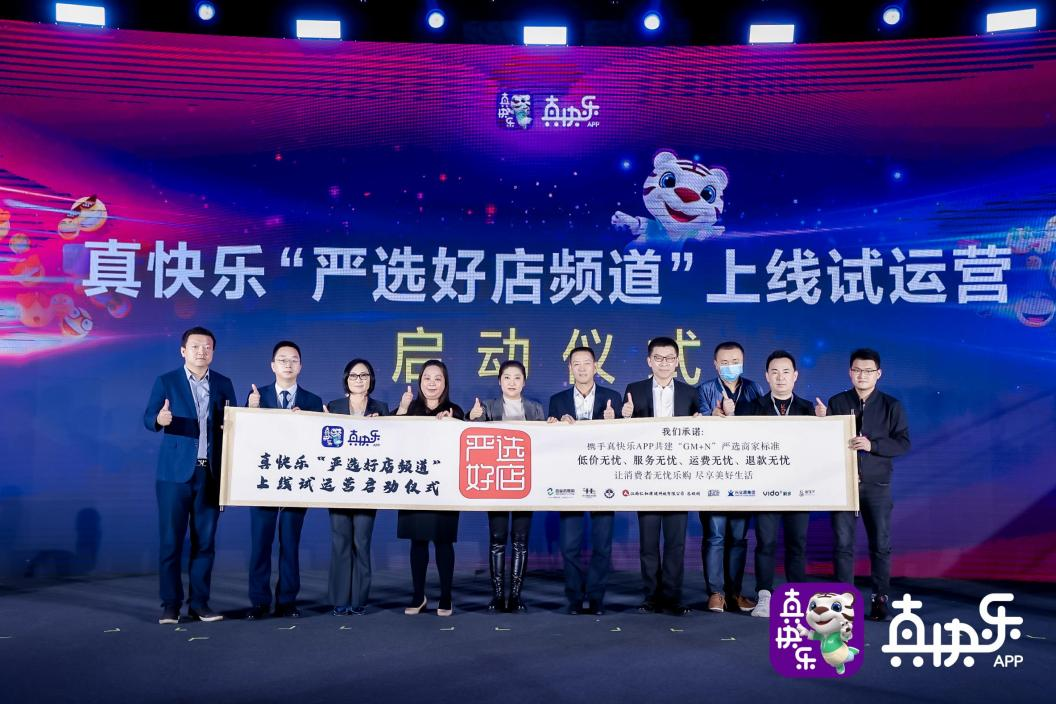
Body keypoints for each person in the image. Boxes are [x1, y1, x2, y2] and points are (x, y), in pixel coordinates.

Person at [143, 326, 236, 625]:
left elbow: (233, 424)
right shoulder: (167, 381)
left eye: (207, 346)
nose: (201, 351)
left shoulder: (223, 383)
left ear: (213, 352)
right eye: (195, 346)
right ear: (183, 350)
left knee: (204, 543)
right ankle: (170, 605)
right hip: (174, 475)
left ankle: (199, 604)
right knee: (171, 542)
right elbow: (148, 418)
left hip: (210, 473)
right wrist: (160, 419)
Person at [817, 348, 910, 621]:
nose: (862, 375)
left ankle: (879, 598)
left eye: (868, 371)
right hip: (843, 485)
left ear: (878, 374)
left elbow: (903, 443)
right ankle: (843, 602)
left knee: (880, 544)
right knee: (843, 545)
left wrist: (873, 446)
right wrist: (821, 423)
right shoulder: (837, 402)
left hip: (877, 485)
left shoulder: (891, 405)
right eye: (857, 370)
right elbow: (823, 444)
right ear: (850, 372)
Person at [242, 341, 324, 620]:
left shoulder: (312, 401)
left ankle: (287, 601)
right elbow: (244, 436)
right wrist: (251, 410)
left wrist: (309, 423)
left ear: (300, 366)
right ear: (272, 365)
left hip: (296, 482)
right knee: (261, 544)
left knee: (290, 543)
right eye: (282, 359)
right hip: (263, 481)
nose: (288, 364)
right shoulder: (256, 396)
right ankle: (259, 601)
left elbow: (319, 444)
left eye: (293, 360)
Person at [622, 336, 700, 616]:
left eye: (669, 358)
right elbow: (622, 434)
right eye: (658, 358)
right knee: (648, 542)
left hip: (679, 477)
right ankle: (651, 597)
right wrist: (625, 417)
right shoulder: (634, 390)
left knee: (676, 542)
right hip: (647, 476)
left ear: (677, 361)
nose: (664, 363)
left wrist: (701, 422)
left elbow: (701, 435)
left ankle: (673, 597)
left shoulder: (690, 393)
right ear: (649, 361)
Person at [547, 346, 623, 615]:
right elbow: (551, 442)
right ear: (570, 368)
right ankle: (574, 598)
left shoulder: (612, 398)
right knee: (569, 546)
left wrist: (616, 422)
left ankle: (597, 597)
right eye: (576, 364)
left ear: (595, 367)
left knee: (602, 545)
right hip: (570, 479)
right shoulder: (557, 400)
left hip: (604, 479)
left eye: (586, 363)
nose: (581, 368)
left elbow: (625, 440)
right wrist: (555, 425)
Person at [468, 360, 545, 613]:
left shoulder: (535, 408)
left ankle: (516, 596)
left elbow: (545, 443)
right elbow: (474, 438)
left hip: (525, 483)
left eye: (517, 377)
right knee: (497, 540)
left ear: (524, 382)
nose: (512, 382)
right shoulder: (487, 407)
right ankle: (498, 595)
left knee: (521, 541)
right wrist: (473, 418)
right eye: (507, 377)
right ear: (499, 381)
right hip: (498, 482)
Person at [696, 341, 766, 613]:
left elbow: (762, 427)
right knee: (714, 535)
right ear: (715, 365)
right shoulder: (705, 389)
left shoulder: (754, 389)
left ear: (743, 362)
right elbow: (695, 427)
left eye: (734, 361)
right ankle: (716, 593)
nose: (730, 366)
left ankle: (735, 593)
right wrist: (711, 416)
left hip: (743, 473)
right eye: (724, 362)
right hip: (712, 473)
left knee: (738, 537)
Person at [746, 350, 816, 618]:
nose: (780, 377)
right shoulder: (753, 408)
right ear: (766, 376)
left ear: (795, 376)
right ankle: (764, 595)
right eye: (774, 372)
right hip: (766, 489)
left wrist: (825, 423)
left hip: (799, 490)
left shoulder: (810, 410)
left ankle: (797, 595)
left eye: (786, 372)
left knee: (797, 543)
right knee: (765, 542)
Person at [395, 360, 464, 617]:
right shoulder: (410, 409)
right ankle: (418, 595)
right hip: (414, 484)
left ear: (445, 383)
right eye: (427, 378)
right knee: (418, 542)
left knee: (444, 542)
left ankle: (446, 596)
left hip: (444, 485)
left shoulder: (455, 411)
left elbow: (464, 442)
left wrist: (455, 422)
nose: (432, 383)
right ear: (420, 381)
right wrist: (403, 408)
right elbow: (390, 435)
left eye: (438, 378)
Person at [325, 358, 388, 616]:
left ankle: (360, 599)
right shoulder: (333, 407)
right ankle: (340, 600)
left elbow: (392, 443)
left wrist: (384, 424)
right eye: (354, 375)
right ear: (346, 380)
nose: (359, 380)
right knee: (340, 542)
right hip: (339, 485)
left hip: (367, 486)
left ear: (371, 379)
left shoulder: (381, 408)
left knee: (362, 542)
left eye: (364, 375)